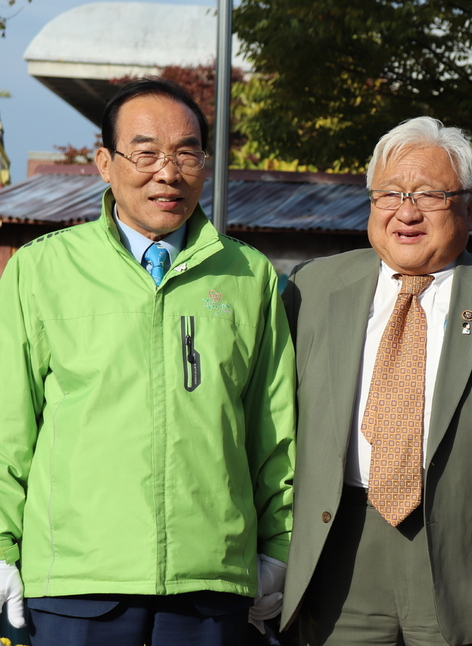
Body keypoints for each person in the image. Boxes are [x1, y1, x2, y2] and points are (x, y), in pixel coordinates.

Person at [0, 78, 296, 645]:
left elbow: (275, 430)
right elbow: (8, 425)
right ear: (105, 163)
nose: (168, 172)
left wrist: (278, 552)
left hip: (211, 588)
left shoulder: (249, 276)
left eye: (187, 153)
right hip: (75, 585)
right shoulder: (42, 271)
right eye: (146, 153)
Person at [280, 116, 472, 646]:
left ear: (470, 206)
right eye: (389, 193)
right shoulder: (313, 287)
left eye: (429, 195)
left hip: (463, 558)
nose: (405, 212)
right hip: (339, 545)